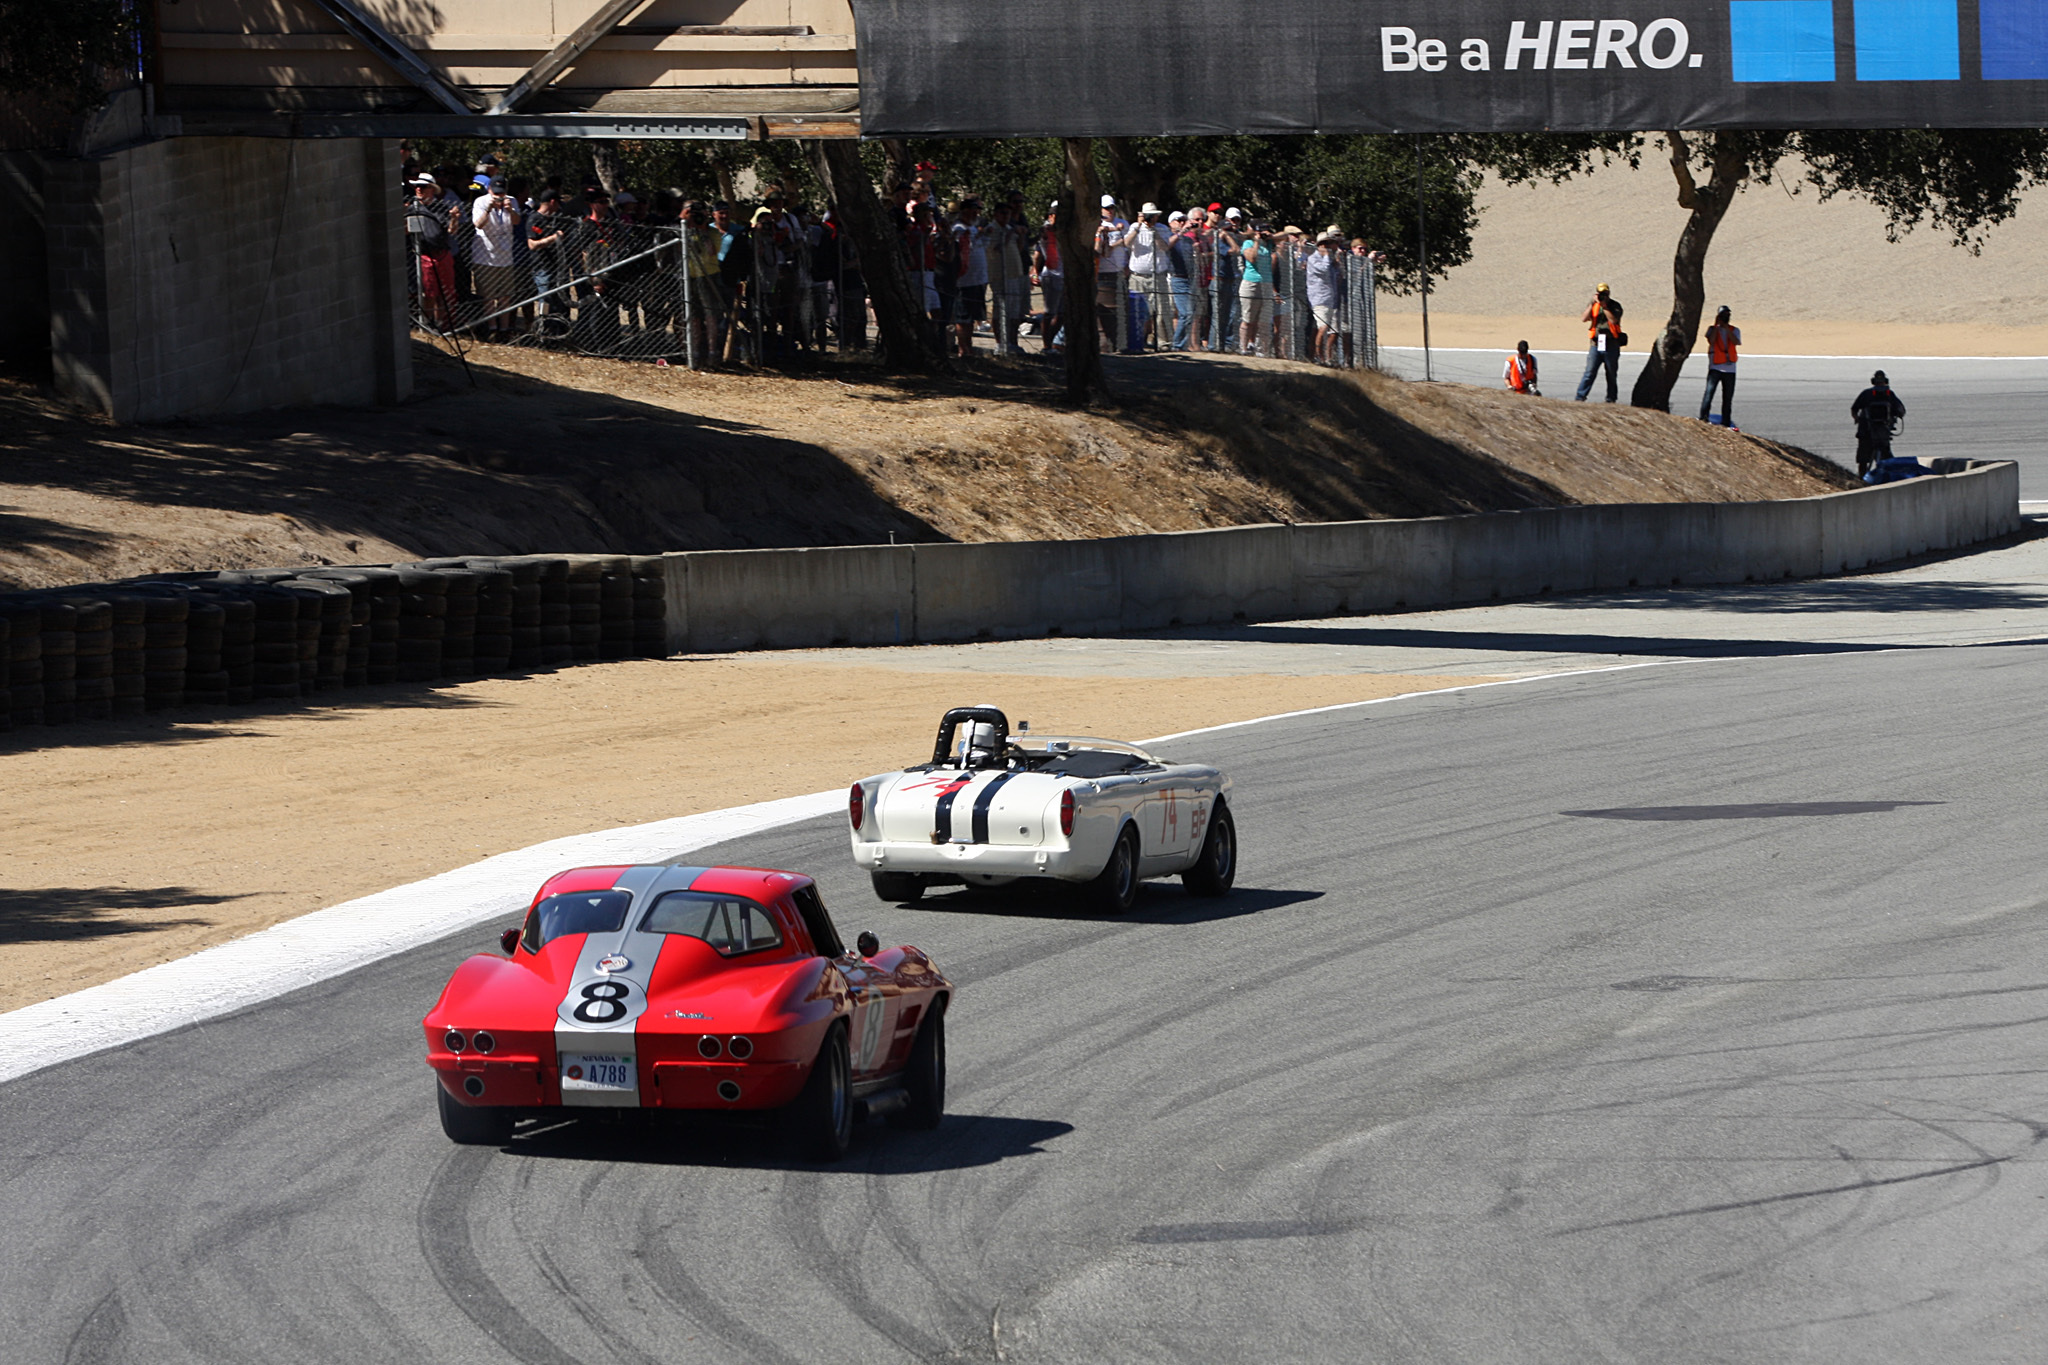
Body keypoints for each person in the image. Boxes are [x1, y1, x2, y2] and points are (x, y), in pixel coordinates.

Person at [469, 179, 524, 341]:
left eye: (502, 193)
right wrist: (489, 209)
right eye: (496, 193)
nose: (499, 196)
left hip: (506, 256)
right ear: (489, 190)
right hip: (485, 256)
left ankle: (504, 329)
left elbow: (517, 221)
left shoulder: (512, 201)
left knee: (505, 296)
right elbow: (478, 224)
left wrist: (510, 210)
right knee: (487, 295)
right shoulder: (481, 202)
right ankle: (491, 328)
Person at [1574, 283, 1625, 403]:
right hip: (1595, 344)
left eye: (1605, 294)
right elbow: (1584, 318)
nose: (1604, 296)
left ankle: (1611, 398)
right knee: (1589, 372)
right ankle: (1580, 397)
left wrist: (1605, 306)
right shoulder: (1594, 305)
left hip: (1611, 344)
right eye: (1601, 294)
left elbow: (1613, 320)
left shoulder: (1615, 306)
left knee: (1611, 374)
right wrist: (1593, 304)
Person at [1851, 370, 1906, 476]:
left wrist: (1857, 418)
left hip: (1866, 432)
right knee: (1885, 459)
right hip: (1880, 433)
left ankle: (1862, 478)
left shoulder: (1866, 394)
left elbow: (1854, 409)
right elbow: (1901, 411)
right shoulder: (1890, 394)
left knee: (1864, 460)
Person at [1307, 232, 1345, 364]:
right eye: (1325, 244)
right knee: (1322, 327)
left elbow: (1337, 276)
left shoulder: (1330, 261)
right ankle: (1318, 356)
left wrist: (1337, 262)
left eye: (1329, 244)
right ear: (1319, 245)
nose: (1327, 247)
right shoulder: (1313, 259)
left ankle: (1325, 357)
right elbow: (1322, 269)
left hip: (1330, 299)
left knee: (1329, 328)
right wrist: (1327, 256)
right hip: (1318, 299)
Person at [1238, 225, 1275, 357]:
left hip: (1266, 283)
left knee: (1264, 319)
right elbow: (1252, 258)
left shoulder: (1268, 243)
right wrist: (1256, 241)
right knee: (1248, 318)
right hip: (1251, 283)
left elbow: (1285, 236)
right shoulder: (1248, 243)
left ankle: (1262, 350)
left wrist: (1271, 236)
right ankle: (1243, 347)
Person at [1699, 304, 1739, 424]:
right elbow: (1711, 341)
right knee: (1709, 393)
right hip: (1715, 367)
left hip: (1730, 369)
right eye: (1723, 315)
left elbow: (1736, 341)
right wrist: (1717, 327)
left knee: (1727, 398)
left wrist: (1726, 328)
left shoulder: (1734, 330)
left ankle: (1726, 421)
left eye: (1728, 315)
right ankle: (1703, 418)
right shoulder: (1712, 329)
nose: (1726, 317)